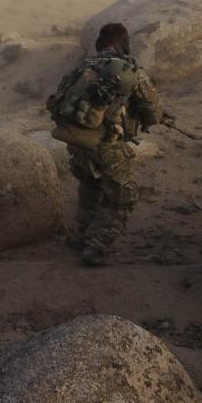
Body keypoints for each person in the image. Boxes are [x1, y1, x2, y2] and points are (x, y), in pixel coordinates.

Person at [48, 23, 164, 266]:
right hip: (107, 145)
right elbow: (152, 113)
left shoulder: (81, 67)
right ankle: (96, 245)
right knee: (124, 196)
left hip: (77, 141)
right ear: (123, 43)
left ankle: (81, 236)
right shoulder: (131, 71)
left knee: (90, 186)